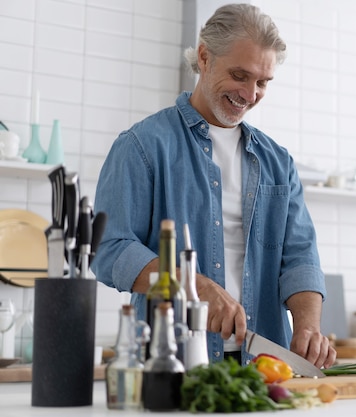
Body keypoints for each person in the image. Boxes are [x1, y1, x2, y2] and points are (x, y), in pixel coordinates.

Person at [91, 3, 335, 369]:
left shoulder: (278, 162)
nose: (250, 94)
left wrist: (308, 326)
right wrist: (193, 286)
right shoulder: (143, 146)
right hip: (172, 361)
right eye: (240, 75)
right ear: (204, 57)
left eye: (263, 82)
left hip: (267, 365)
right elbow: (110, 249)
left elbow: (300, 257)